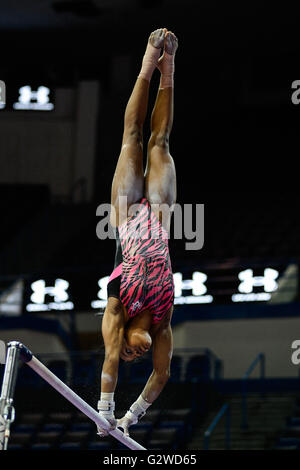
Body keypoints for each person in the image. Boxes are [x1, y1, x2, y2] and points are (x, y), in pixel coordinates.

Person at [97, 27, 178, 438]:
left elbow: (109, 360)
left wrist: (106, 411)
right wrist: (131, 419)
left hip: (127, 216)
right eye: (135, 355)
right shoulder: (162, 322)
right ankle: (170, 67)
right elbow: (161, 376)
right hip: (161, 219)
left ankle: (148, 60)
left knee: (133, 137)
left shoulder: (116, 309)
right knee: (159, 143)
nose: (132, 351)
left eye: (126, 349)